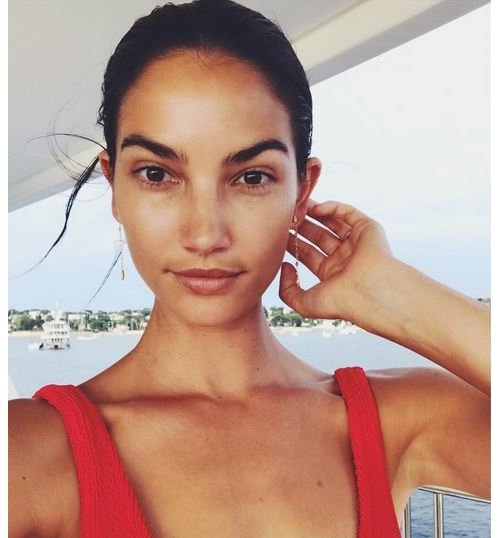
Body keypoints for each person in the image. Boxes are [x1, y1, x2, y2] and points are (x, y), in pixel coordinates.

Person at [9, 1, 490, 537]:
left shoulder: (396, 420)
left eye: (252, 178)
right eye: (156, 174)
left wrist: (393, 293)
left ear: (302, 192)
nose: (205, 234)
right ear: (115, 187)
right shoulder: (27, 452)